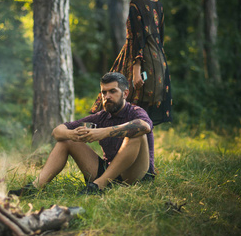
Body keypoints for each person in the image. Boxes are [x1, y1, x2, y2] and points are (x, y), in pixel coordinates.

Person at [9, 72, 155, 196]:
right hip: (109, 173)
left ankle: (99, 186)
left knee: (136, 133)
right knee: (66, 140)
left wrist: (104, 132)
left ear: (125, 94)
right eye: (104, 92)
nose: (107, 96)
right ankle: (35, 188)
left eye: (112, 91)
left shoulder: (135, 111)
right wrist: (72, 134)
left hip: (135, 175)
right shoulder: (101, 116)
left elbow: (144, 126)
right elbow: (57, 131)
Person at [91, 0, 172, 126]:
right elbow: (160, 39)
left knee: (129, 108)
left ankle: (131, 149)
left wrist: (136, 70)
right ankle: (141, 150)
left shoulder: (136, 5)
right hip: (158, 63)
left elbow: (138, 38)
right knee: (144, 112)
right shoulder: (159, 5)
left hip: (140, 63)